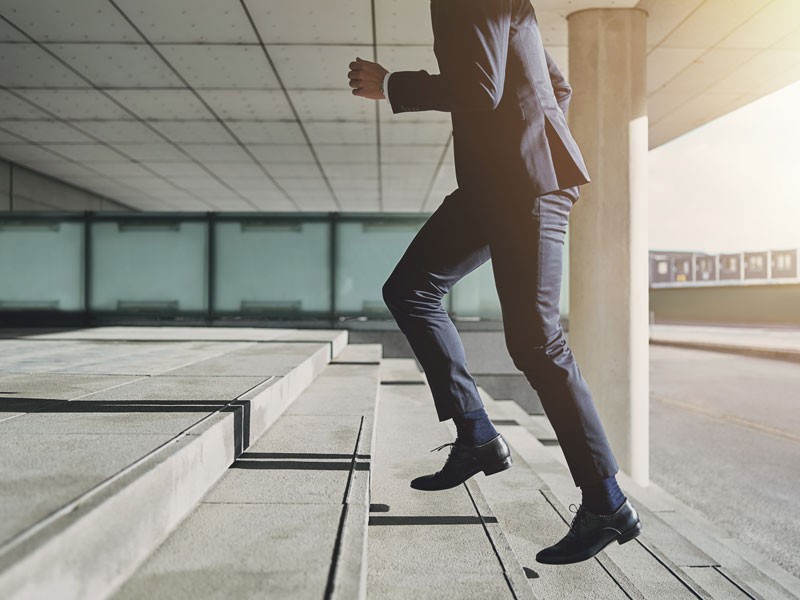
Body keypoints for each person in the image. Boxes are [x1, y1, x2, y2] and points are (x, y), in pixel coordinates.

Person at [346, 0, 641, 565]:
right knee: (410, 288)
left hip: (527, 184)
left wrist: (393, 85)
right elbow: (556, 83)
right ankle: (477, 434)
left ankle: (607, 503)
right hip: (497, 184)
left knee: (536, 341)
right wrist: (534, 135)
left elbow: (480, 87)